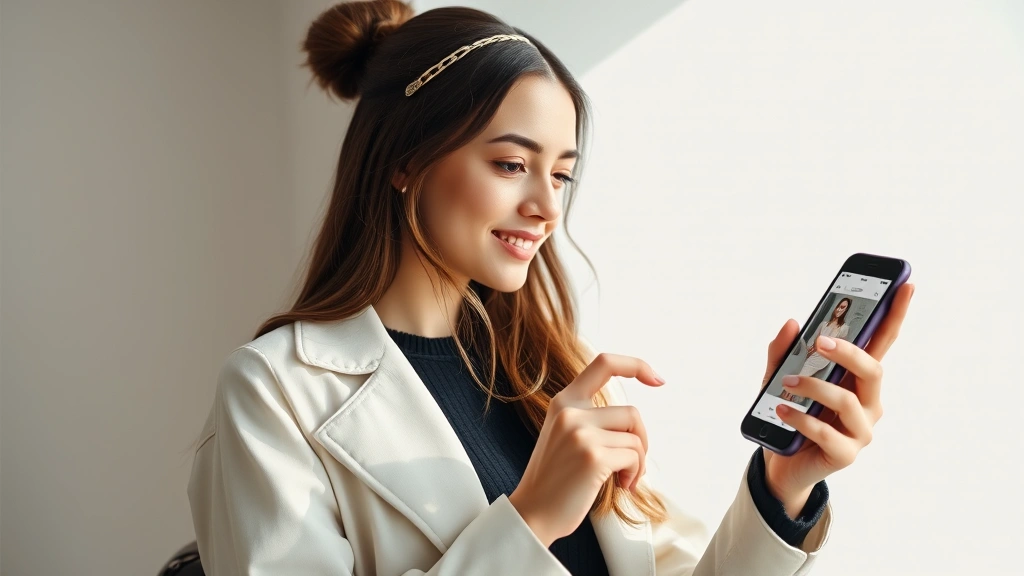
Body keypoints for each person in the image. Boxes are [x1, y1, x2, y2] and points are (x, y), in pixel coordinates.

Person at [186, 2, 915, 574]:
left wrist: (781, 487)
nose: (547, 205)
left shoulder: (555, 374)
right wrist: (531, 519)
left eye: (561, 173)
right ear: (405, 159)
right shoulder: (274, 391)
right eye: (511, 164)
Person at [779, 298, 853, 404]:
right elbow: (814, 338)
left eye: (842, 307)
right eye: (838, 306)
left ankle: (786, 396)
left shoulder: (844, 328)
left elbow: (840, 346)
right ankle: (788, 398)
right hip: (812, 352)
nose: (838, 310)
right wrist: (809, 349)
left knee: (800, 375)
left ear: (846, 310)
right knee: (797, 373)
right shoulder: (824, 324)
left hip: (823, 358)